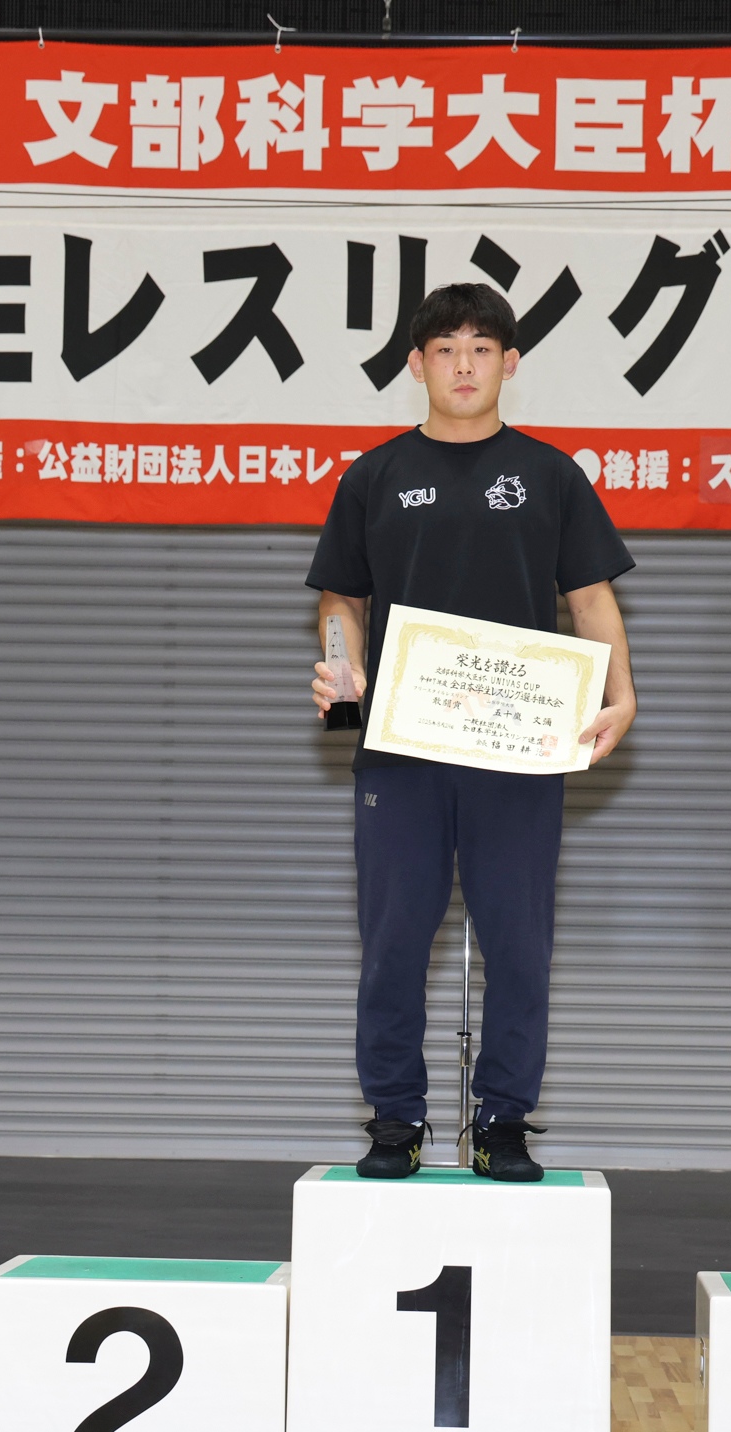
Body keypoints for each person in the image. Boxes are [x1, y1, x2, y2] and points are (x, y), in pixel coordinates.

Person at [303, 282, 635, 1184]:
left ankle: (502, 1122)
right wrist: (342, 676)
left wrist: (622, 696)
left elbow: (590, 598)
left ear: (509, 364)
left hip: (516, 751)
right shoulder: (373, 476)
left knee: (518, 946)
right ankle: (395, 1120)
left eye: (481, 349)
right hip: (400, 751)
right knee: (392, 943)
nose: (463, 365)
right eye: (445, 349)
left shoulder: (551, 476)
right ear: (416, 365)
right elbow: (341, 600)